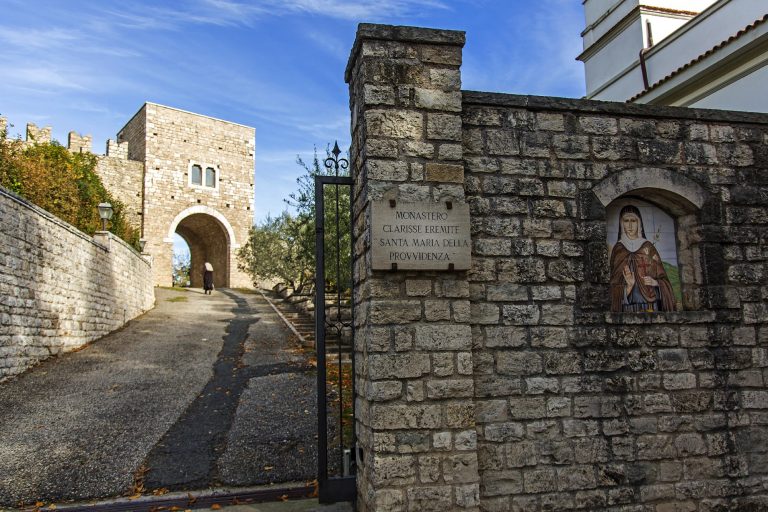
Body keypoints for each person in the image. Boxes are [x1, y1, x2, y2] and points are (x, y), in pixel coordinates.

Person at [610, 205, 675, 312]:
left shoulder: (648, 247)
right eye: (626, 221)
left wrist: (656, 283)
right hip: (628, 308)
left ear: (639, 223)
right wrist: (629, 286)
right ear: (622, 224)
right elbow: (613, 286)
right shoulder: (618, 250)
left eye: (633, 221)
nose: (630, 225)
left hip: (650, 305)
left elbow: (664, 280)